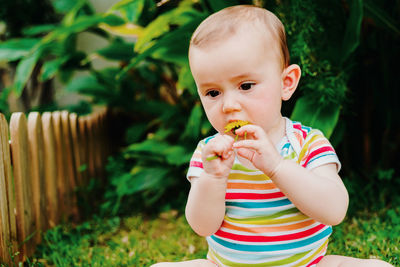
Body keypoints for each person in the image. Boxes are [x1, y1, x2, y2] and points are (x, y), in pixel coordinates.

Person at [152, 5, 393, 267]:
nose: (228, 105)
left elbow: (334, 211)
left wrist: (277, 167)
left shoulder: (307, 143)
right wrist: (213, 177)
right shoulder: (210, 153)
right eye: (212, 93)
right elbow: (202, 226)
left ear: (286, 83)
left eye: (245, 86)